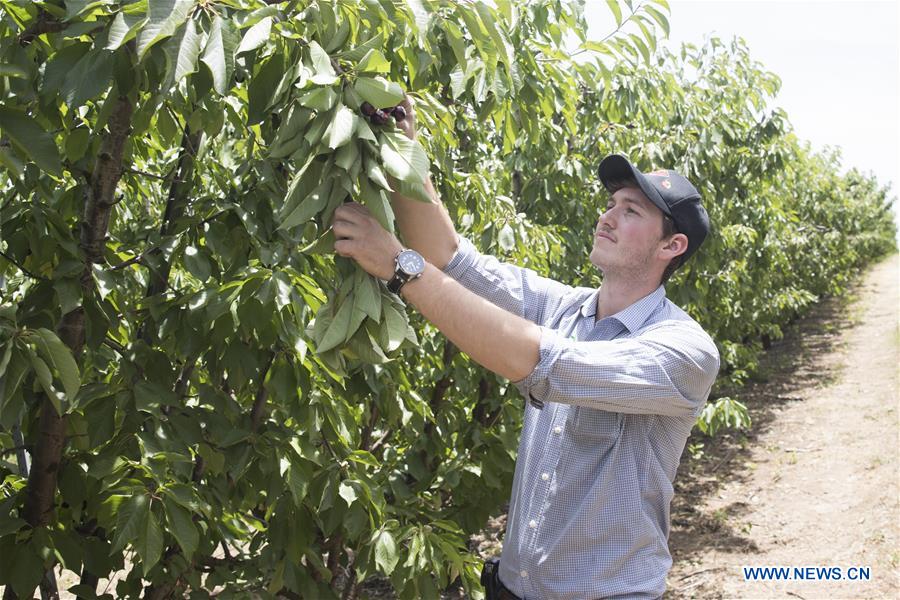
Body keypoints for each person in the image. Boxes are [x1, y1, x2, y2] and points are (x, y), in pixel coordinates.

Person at [331, 97, 720, 600]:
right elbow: (451, 257)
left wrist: (400, 268)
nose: (607, 217)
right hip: (515, 587)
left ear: (672, 247)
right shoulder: (563, 307)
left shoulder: (684, 351)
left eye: (631, 211)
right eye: (610, 204)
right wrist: (402, 150)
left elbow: (546, 366)